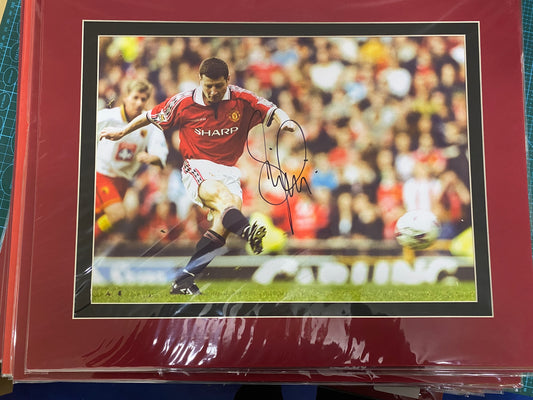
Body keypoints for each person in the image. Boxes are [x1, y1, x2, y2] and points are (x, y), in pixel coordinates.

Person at [100, 57, 297, 295]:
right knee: (224, 201)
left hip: (229, 170)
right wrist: (122, 131)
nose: (213, 92)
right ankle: (248, 231)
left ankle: (183, 280)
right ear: (200, 81)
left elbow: (273, 110)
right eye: (208, 86)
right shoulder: (183, 102)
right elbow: (149, 116)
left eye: (218, 86)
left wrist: (286, 122)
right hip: (198, 166)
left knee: (223, 224)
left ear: (228, 81)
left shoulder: (242, 99)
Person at [95, 79, 168, 243]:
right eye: (135, 97)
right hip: (102, 173)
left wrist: (152, 158)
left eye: (143, 99)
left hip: (123, 180)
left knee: (109, 217)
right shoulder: (107, 117)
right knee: (117, 214)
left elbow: (160, 154)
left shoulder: (149, 124)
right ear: (126, 97)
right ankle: (85, 244)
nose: (139, 103)